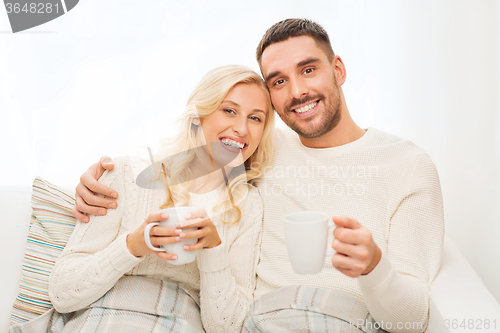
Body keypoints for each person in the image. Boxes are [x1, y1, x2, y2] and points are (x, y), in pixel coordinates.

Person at [73, 19, 444, 333]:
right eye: (278, 81)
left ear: (339, 70)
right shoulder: (256, 146)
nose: (297, 91)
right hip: (260, 322)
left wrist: (375, 268)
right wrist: (95, 180)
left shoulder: (406, 167)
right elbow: (169, 170)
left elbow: (412, 321)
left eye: (309, 69)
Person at [9, 65, 275, 333]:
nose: (241, 128)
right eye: (229, 110)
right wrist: (134, 245)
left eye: (255, 118)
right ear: (197, 118)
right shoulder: (126, 174)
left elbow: (228, 328)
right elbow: (63, 294)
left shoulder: (248, 207)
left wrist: (213, 249)